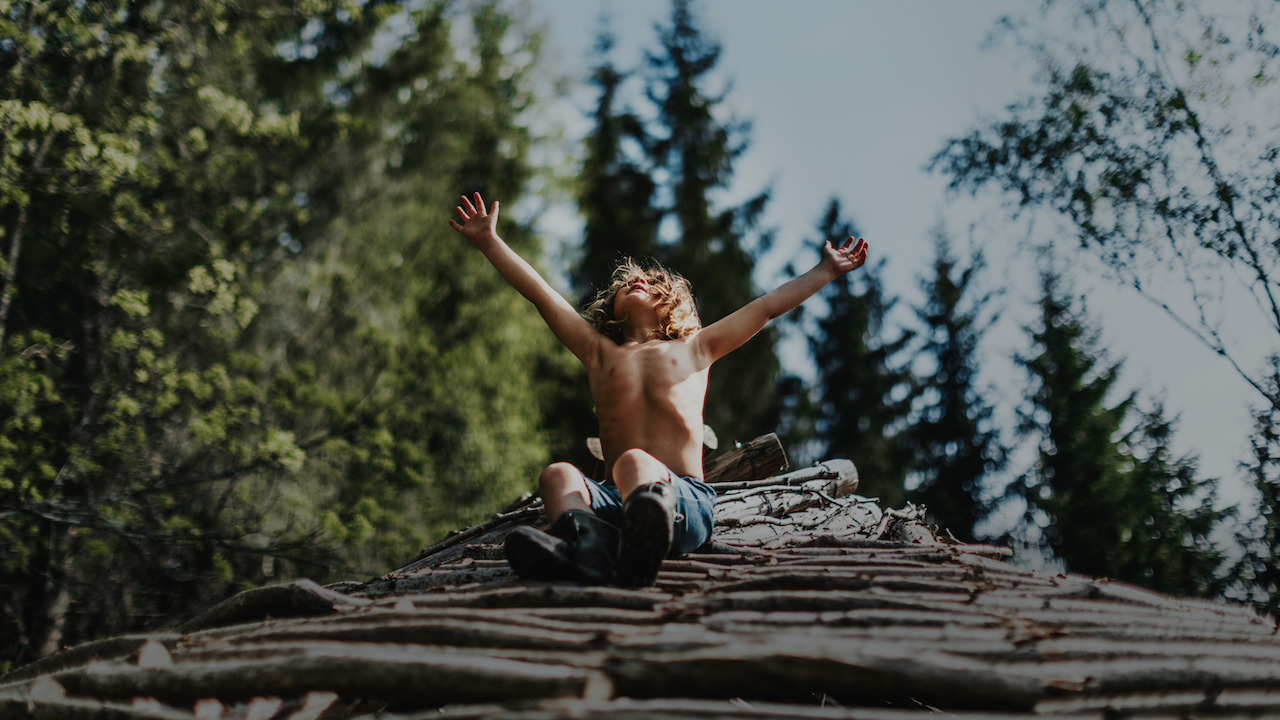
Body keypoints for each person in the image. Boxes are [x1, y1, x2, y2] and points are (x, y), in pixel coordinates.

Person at [449, 192, 868, 586]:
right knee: (557, 475)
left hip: (682, 501)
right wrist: (490, 242)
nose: (637, 281)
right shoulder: (599, 354)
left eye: (650, 281)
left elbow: (765, 308)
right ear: (611, 306)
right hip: (612, 503)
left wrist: (826, 270)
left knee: (633, 462)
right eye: (626, 282)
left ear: (673, 302)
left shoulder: (695, 348)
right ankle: (588, 546)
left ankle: (642, 541)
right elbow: (543, 296)